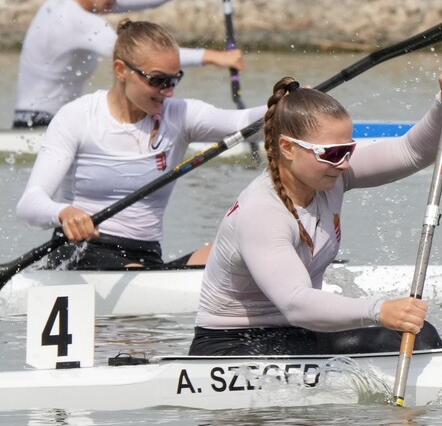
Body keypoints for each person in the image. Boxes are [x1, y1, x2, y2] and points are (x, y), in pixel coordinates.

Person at [186, 58, 442, 356]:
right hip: (233, 345)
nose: (344, 163)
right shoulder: (262, 212)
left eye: (348, 150)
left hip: (299, 335)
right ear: (288, 148)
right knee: (401, 336)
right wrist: (379, 310)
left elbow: (411, 152)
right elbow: (296, 303)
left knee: (419, 336)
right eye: (331, 153)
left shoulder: (332, 177)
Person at [15, 20, 265, 270]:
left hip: (146, 257)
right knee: (135, 270)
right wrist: (63, 213)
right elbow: (29, 204)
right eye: (157, 80)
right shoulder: (78, 117)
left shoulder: (180, 115)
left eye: (174, 80)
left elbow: (244, 122)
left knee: (235, 251)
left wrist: (288, 105)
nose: (168, 92)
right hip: (81, 252)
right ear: (120, 70)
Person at [12, 0, 245, 128]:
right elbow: (142, 57)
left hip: (47, 121)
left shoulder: (78, 1)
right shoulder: (74, 20)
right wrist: (213, 57)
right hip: (38, 126)